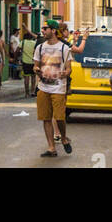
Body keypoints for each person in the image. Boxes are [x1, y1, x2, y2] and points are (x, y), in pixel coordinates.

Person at [33, 19, 72, 157]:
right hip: (43, 87)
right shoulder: (40, 47)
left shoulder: (64, 48)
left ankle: (63, 137)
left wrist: (65, 73)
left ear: (53, 31)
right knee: (46, 118)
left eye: (46, 28)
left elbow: (69, 69)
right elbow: (35, 65)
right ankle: (51, 148)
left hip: (58, 88)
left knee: (60, 118)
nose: (43, 31)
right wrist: (36, 69)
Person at [20, 29, 37, 96]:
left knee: (26, 78)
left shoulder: (23, 42)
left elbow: (17, 50)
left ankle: (27, 93)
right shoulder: (34, 43)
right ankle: (32, 91)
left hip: (25, 62)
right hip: (33, 62)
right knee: (33, 77)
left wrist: (15, 58)